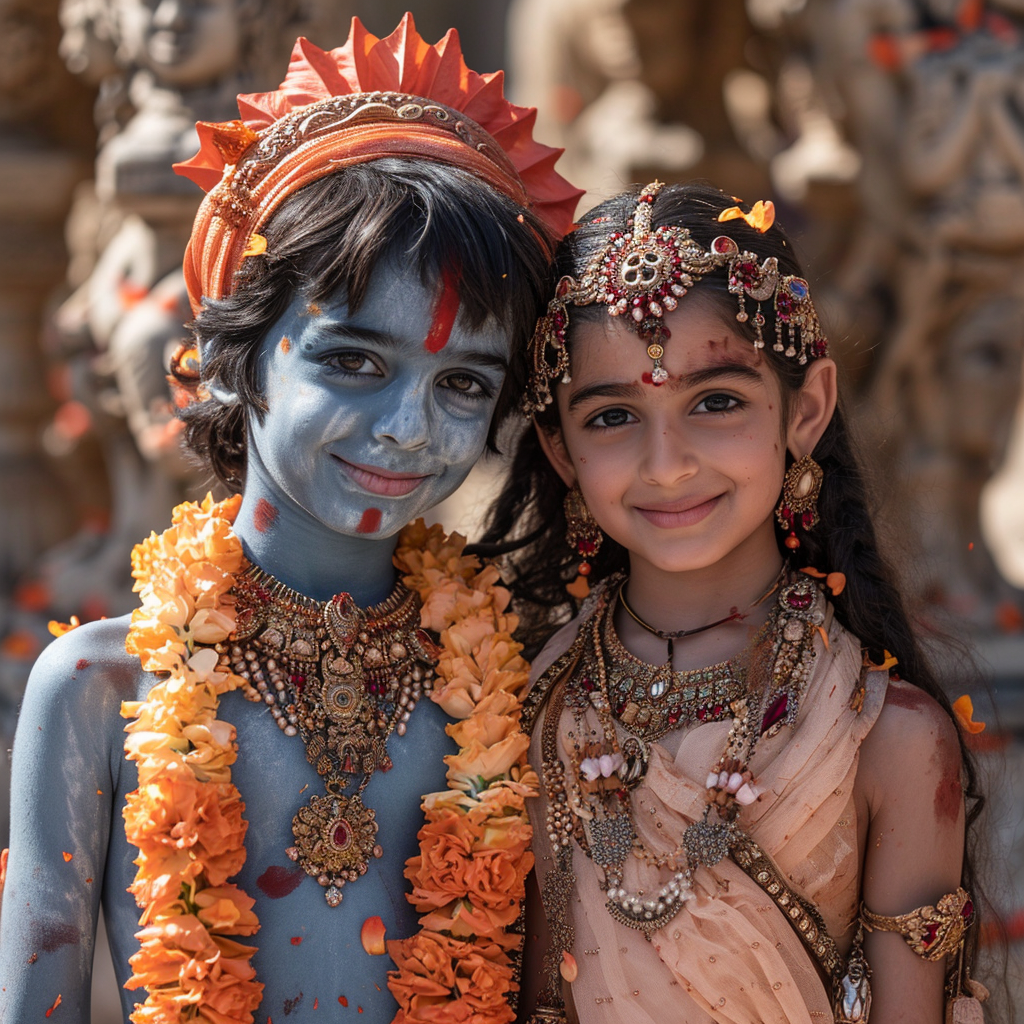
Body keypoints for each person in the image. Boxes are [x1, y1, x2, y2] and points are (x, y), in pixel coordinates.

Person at [0, 16, 581, 1023]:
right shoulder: (103, 687)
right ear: (234, 353)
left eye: (461, 382)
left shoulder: (521, 686)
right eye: (353, 361)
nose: (405, 428)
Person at [481, 181, 986, 1024]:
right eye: (612, 417)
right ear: (560, 451)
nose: (668, 463)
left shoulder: (888, 738)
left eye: (716, 402)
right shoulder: (518, 715)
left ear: (807, 408)